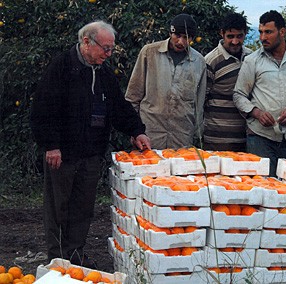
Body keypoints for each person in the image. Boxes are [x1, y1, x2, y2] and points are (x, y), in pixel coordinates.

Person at [30, 20, 151, 267]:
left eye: (111, 49)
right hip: (62, 153)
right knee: (58, 208)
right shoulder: (62, 67)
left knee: (83, 207)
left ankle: (75, 254)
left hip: (91, 153)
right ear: (86, 42)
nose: (108, 54)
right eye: (105, 48)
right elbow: (43, 109)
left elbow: (118, 106)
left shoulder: (104, 72)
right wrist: (51, 145)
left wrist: (136, 131)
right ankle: (56, 257)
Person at [233, 10, 286, 176]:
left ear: (282, 32)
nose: (262, 38)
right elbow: (238, 95)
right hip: (260, 137)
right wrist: (256, 112)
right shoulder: (252, 60)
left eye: (268, 32)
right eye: (260, 32)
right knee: (262, 188)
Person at [125, 13, 206, 150]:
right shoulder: (149, 53)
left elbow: (199, 103)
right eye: (177, 36)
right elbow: (133, 95)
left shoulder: (199, 61)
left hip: (182, 138)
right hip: (149, 135)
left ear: (192, 38)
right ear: (170, 32)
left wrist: (197, 134)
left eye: (186, 37)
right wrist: (134, 130)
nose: (180, 42)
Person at [203, 13, 252, 152]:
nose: (235, 41)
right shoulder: (210, 61)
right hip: (217, 141)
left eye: (239, 36)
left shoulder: (251, 58)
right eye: (230, 36)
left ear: (245, 34)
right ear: (222, 34)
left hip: (247, 139)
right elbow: (201, 100)